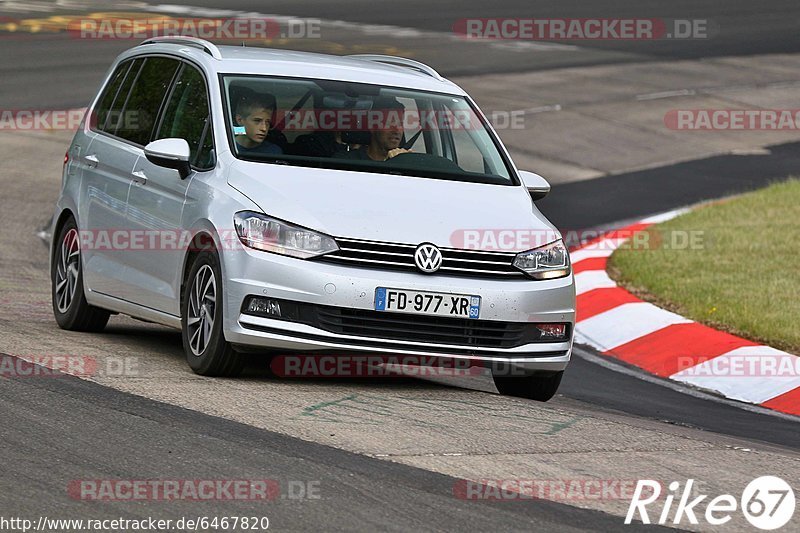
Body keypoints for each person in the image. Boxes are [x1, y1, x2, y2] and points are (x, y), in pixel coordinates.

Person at [339, 97, 411, 161]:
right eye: (389, 124)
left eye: (400, 124)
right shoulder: (348, 161)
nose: (396, 130)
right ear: (372, 126)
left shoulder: (405, 163)